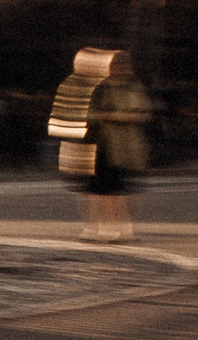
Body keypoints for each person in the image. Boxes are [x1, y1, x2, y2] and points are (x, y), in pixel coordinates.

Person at [47, 42, 152, 244]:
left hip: (120, 147)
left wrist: (115, 116)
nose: (119, 69)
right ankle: (97, 226)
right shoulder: (88, 86)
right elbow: (74, 112)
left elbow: (142, 112)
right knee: (95, 189)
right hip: (89, 145)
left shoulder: (128, 86)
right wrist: (100, 116)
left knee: (118, 188)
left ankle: (119, 226)